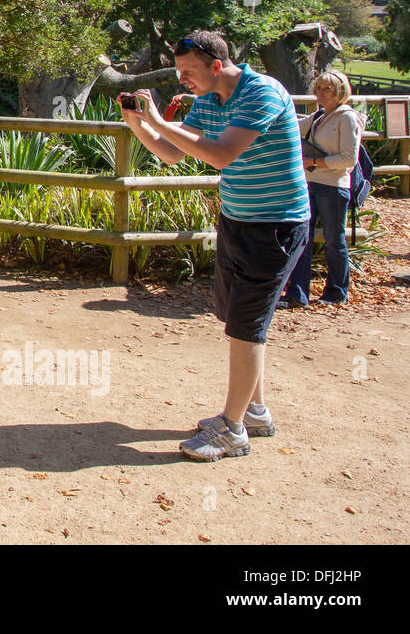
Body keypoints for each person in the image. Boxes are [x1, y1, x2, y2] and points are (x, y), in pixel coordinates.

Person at [119, 30, 309, 461]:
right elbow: (173, 153)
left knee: (246, 326)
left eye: (188, 71)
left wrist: (160, 121)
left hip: (276, 226)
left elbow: (222, 155)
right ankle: (255, 412)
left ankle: (233, 430)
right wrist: (140, 124)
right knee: (238, 321)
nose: (182, 79)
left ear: (216, 66)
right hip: (237, 221)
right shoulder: (207, 100)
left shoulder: (263, 92)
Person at [281, 71, 365, 307]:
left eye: (326, 89)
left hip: (333, 186)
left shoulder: (346, 118)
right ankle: (297, 294)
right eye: (318, 88)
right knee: (302, 239)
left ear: (340, 91)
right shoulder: (319, 116)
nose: (320, 93)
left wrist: (315, 162)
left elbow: (349, 159)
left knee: (334, 241)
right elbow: (293, 126)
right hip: (311, 183)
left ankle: (336, 292)